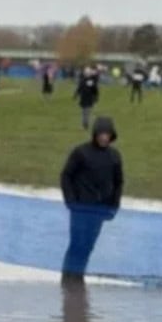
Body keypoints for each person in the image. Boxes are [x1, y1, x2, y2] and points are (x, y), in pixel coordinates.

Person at [59, 116, 122, 279]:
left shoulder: (114, 156)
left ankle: (78, 277)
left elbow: (118, 182)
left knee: (88, 245)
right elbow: (66, 176)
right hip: (80, 209)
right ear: (95, 134)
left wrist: (114, 206)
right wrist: (71, 201)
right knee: (77, 245)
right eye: (101, 134)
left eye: (107, 134)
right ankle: (68, 278)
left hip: (99, 210)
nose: (104, 137)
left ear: (111, 135)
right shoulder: (81, 152)